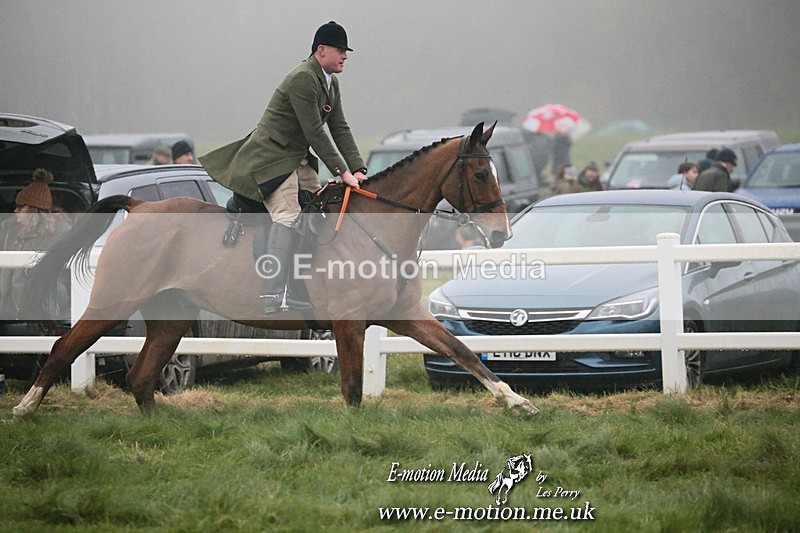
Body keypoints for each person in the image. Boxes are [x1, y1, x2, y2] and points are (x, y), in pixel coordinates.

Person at [199, 21, 367, 314]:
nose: (345, 56)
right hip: (271, 159)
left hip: (297, 158)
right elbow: (315, 131)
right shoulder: (303, 79)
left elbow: (339, 126)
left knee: (320, 210)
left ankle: (305, 281)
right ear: (321, 50)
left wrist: (359, 167)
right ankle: (273, 290)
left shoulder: (330, 82)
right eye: (340, 50)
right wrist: (342, 172)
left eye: (346, 51)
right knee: (288, 215)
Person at [0, 169, 71, 320]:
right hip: (8, 308)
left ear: (33, 210)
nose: (15, 211)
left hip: (39, 310)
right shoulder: (9, 233)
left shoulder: (59, 233)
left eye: (21, 207)